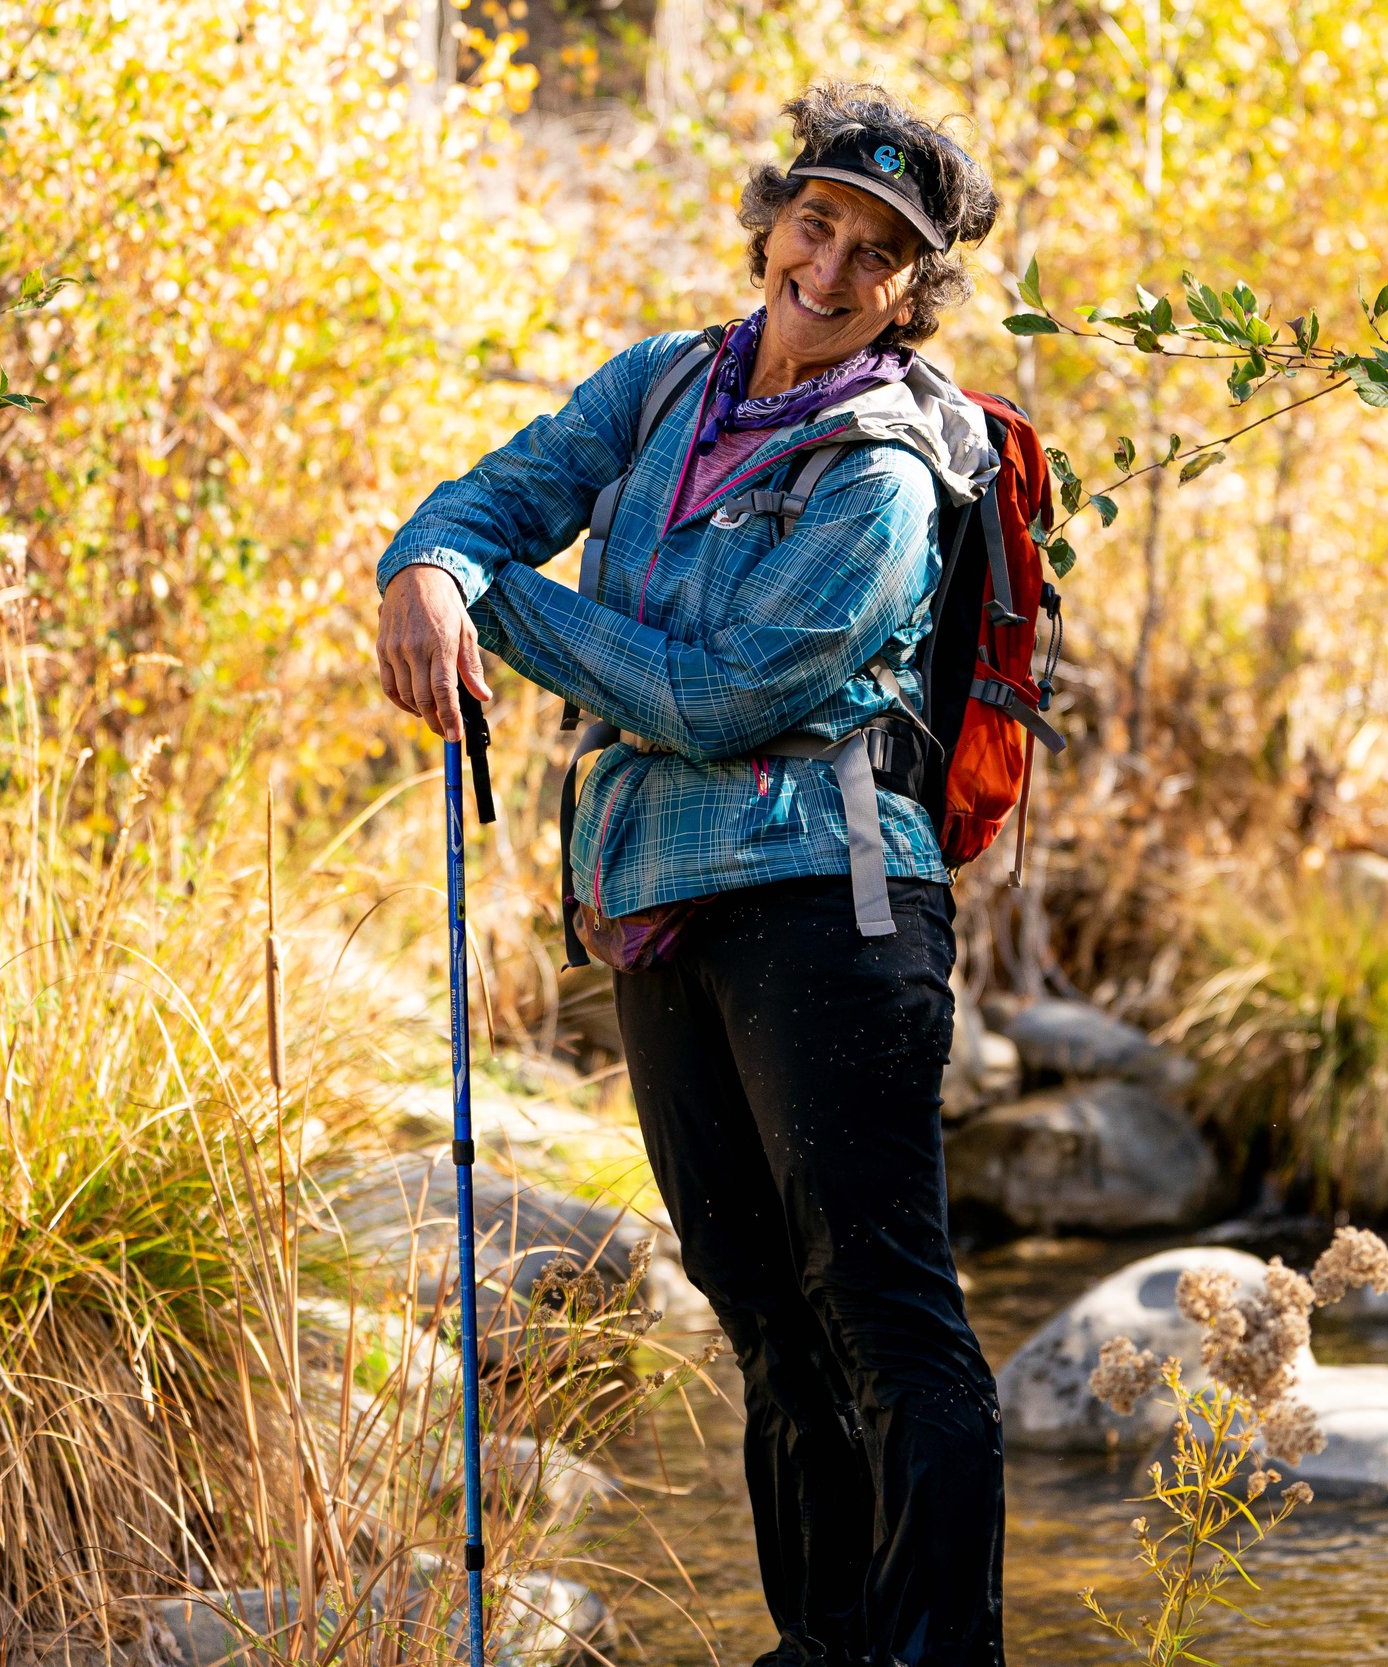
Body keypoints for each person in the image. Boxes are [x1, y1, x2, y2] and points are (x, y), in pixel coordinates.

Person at [374, 83, 1007, 1667]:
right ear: (774, 221)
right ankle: (828, 1644)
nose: (832, 265)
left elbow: (724, 692)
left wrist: (496, 604)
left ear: (912, 294)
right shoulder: (661, 384)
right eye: (817, 224)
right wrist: (430, 565)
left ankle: (941, 1653)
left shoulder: (890, 472)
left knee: (882, 1312)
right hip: (657, 903)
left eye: (877, 254)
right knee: (758, 1305)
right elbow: (489, 496)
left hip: (831, 901)